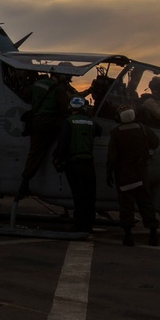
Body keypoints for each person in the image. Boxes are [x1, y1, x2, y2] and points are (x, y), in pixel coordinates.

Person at [105, 108, 160, 246]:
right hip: (141, 173)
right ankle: (153, 235)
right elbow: (156, 143)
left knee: (126, 205)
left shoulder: (116, 133)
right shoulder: (143, 129)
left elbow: (112, 156)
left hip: (124, 174)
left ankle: (128, 236)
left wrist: (108, 173)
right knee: (146, 203)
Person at [17, 71, 70, 200]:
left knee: (34, 153)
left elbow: (25, 94)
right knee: (63, 143)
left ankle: (25, 182)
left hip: (36, 123)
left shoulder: (37, 84)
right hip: (49, 125)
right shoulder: (59, 90)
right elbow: (66, 109)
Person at [53, 96, 103, 232]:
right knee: (89, 194)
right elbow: (100, 131)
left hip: (74, 163)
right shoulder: (91, 123)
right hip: (88, 162)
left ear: (71, 108)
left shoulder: (68, 122)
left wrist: (57, 159)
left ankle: (79, 224)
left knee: (78, 194)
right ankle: (89, 222)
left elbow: (63, 143)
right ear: (84, 108)